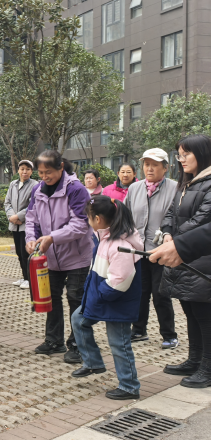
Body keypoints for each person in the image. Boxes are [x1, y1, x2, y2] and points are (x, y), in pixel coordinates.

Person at [70, 196, 143, 400]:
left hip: (115, 301)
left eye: (88, 217)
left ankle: (129, 386)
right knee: (78, 319)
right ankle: (93, 363)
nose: (87, 220)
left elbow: (120, 280)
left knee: (119, 343)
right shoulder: (104, 235)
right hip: (100, 296)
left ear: (99, 219)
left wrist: (100, 294)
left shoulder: (120, 244)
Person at [25, 150, 93, 364]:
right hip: (49, 257)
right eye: (41, 172)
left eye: (49, 172)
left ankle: (78, 345)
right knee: (50, 297)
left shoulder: (76, 190)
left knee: (75, 299)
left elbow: (81, 224)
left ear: (61, 167)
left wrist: (52, 237)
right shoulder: (37, 190)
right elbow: (31, 219)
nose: (44, 177)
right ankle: (54, 340)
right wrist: (31, 239)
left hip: (76, 256)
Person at [156, 135, 211, 388]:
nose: (181, 159)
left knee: (204, 314)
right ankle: (194, 359)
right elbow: (170, 214)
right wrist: (167, 233)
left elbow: (202, 220)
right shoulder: (187, 183)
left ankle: (208, 368)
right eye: (179, 154)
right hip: (182, 255)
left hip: (201, 259)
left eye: (186, 153)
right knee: (189, 310)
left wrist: (175, 241)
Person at [124, 148, 179, 347]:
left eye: (154, 165)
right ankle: (139, 330)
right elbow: (125, 217)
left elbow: (177, 218)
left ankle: (169, 335)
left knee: (161, 294)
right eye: (146, 164)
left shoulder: (175, 188)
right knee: (139, 291)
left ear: (165, 168)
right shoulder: (134, 189)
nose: (149, 168)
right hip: (138, 250)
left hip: (162, 251)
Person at [4, 160, 36, 289]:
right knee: (18, 252)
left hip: (26, 225)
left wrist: (19, 216)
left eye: (27, 169)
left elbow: (33, 204)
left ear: (31, 172)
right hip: (14, 224)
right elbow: (7, 203)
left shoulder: (35, 185)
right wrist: (12, 217)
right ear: (18, 170)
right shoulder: (13, 184)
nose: (24, 172)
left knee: (26, 253)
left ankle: (30, 279)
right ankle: (24, 277)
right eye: (22, 169)